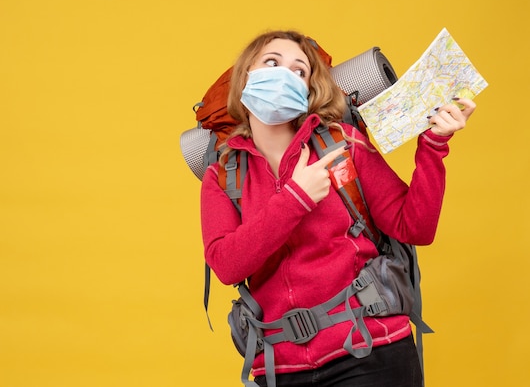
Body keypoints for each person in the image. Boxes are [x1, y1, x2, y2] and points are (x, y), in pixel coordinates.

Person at [200, 30, 476, 387]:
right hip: (279, 368)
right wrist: (297, 198)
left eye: (299, 70)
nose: (285, 74)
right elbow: (226, 264)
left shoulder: (343, 145)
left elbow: (415, 228)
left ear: (310, 88)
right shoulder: (222, 175)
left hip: (372, 351)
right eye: (271, 63)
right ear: (245, 78)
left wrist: (434, 146)